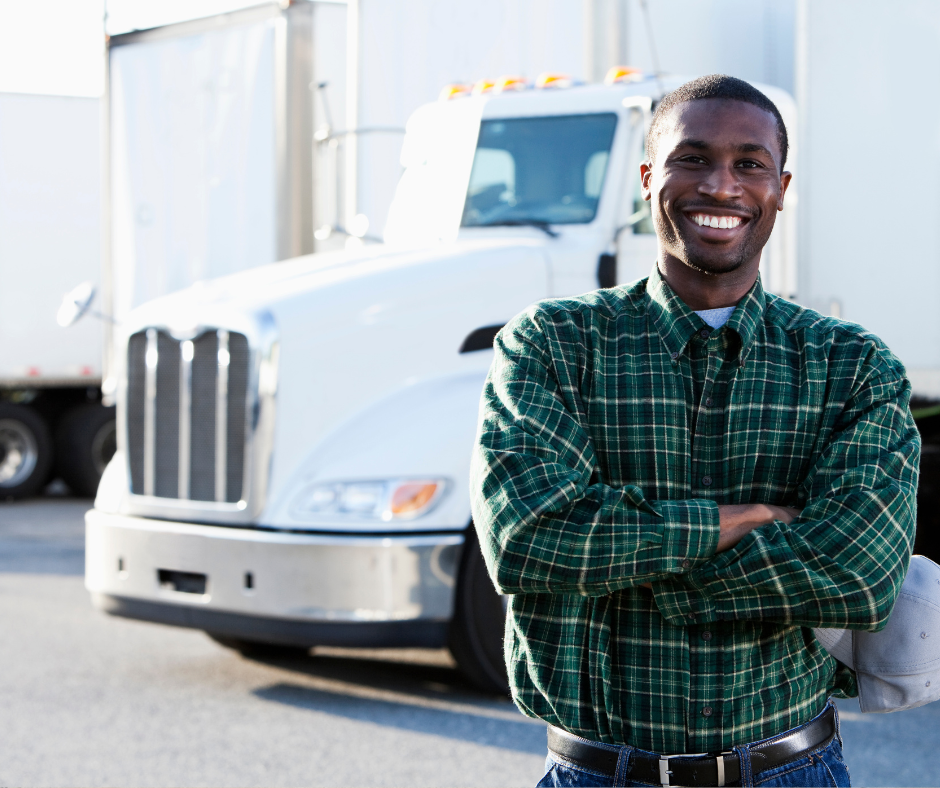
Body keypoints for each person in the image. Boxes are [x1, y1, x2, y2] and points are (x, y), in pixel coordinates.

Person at [469, 75, 919, 788]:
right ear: (649, 177)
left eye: (749, 164)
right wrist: (744, 521)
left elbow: (860, 576)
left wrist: (646, 574)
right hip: (596, 774)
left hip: (789, 772)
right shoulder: (553, 343)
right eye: (692, 158)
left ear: (781, 186)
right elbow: (525, 540)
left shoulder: (851, 367)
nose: (720, 186)